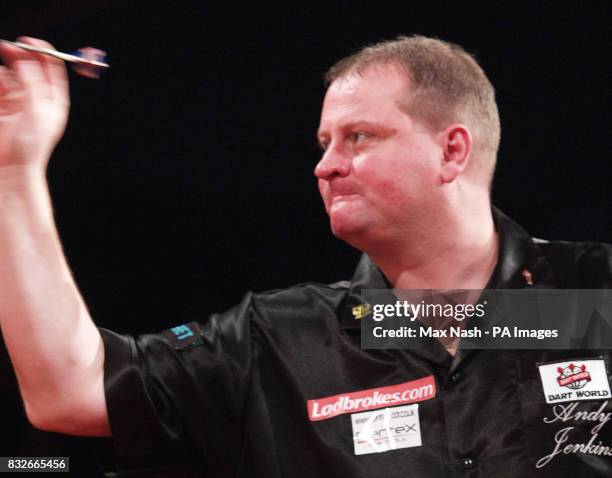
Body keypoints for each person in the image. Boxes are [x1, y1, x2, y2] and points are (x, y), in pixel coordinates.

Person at [0, 35, 610, 477]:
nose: (325, 165)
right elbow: (71, 389)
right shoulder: (281, 343)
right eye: (323, 143)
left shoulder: (595, 294)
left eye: (359, 137)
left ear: (452, 152)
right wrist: (13, 172)